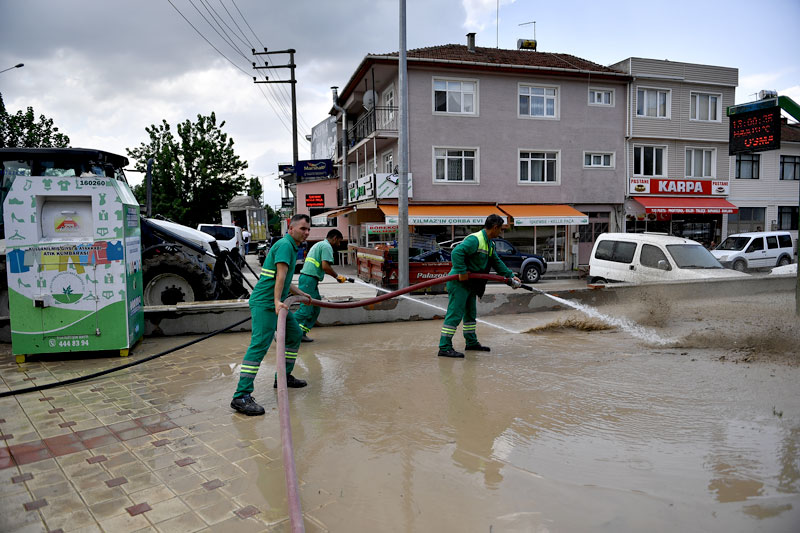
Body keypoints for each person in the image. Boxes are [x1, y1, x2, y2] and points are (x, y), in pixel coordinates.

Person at [230, 214, 312, 416]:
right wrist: (276, 302)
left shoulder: (291, 246)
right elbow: (280, 276)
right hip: (266, 304)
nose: (306, 232)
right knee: (259, 345)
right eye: (303, 228)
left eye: (308, 229)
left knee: (293, 335)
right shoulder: (285, 245)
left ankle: (283, 376)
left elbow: (283, 280)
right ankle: (241, 396)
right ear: (291, 229)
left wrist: (299, 293)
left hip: (275, 304)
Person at [438, 214, 521, 358]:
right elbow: (457, 252)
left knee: (470, 315)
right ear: (495, 228)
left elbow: (496, 261)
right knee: (455, 315)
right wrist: (462, 272)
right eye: (500, 229)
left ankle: (471, 343)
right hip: (459, 283)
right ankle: (444, 347)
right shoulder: (475, 239)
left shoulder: (489, 243)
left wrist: (510, 275)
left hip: (471, 284)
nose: (501, 232)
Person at [294, 229, 348, 342]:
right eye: (338, 241)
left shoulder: (320, 244)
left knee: (315, 308)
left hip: (310, 280)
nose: (338, 244)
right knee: (306, 310)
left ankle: (301, 333)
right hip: (309, 279)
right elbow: (325, 266)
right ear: (334, 238)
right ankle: (280, 329)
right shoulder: (326, 246)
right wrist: (337, 276)